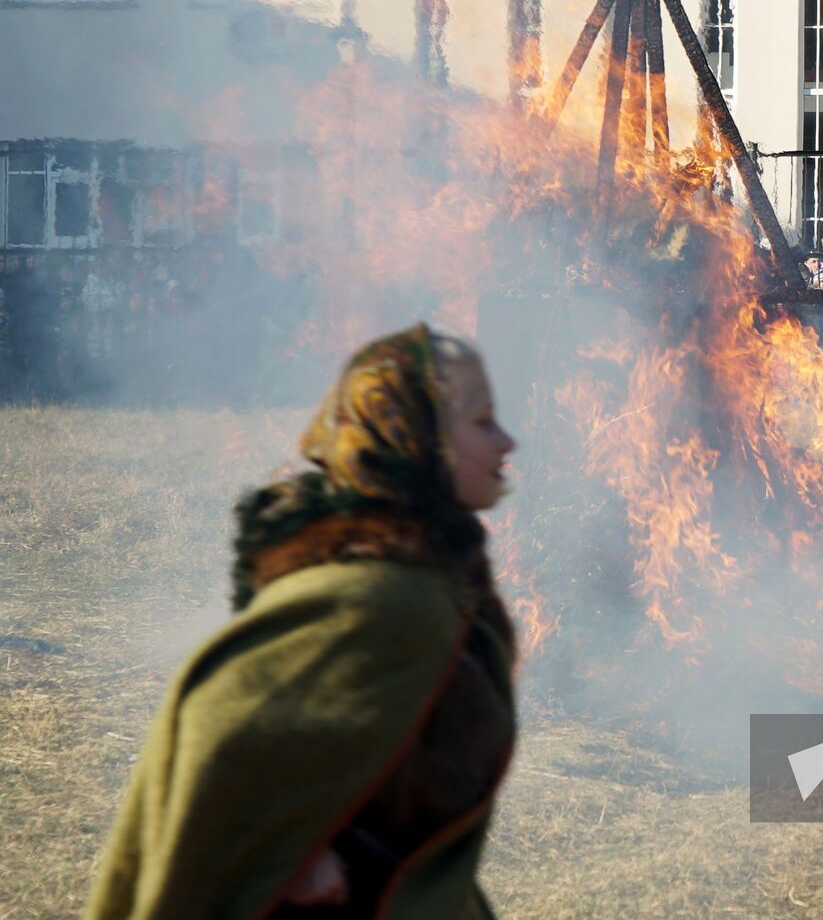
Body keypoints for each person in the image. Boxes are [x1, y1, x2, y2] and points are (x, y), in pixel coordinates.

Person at [87, 325, 519, 919]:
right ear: (414, 435)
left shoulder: (434, 575)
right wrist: (282, 852)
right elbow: (217, 720)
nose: (506, 441)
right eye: (482, 420)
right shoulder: (384, 595)